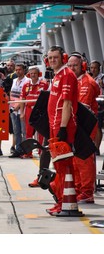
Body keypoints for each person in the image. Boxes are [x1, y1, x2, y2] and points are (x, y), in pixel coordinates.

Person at [45, 46, 78, 215]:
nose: (52, 60)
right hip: (54, 125)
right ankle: (60, 201)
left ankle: (64, 202)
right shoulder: (57, 76)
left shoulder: (67, 75)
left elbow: (67, 103)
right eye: (50, 58)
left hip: (61, 126)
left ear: (63, 58)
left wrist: (63, 128)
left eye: (55, 57)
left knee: (63, 165)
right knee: (58, 165)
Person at [68, 52, 99, 204]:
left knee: (84, 160)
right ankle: (80, 190)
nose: (72, 68)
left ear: (83, 66)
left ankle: (87, 192)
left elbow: (82, 108)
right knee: (75, 160)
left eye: (75, 65)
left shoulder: (87, 83)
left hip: (85, 127)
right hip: (75, 127)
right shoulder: (74, 80)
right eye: (70, 65)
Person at [19, 66, 49, 186]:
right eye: (31, 73)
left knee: (41, 133)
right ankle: (28, 152)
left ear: (38, 74)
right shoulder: (26, 85)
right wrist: (21, 112)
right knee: (28, 132)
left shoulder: (44, 84)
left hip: (40, 111)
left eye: (35, 73)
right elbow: (22, 99)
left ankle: (41, 151)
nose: (33, 75)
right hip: (28, 110)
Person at [0, 59, 17, 156]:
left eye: (11, 66)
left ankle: (13, 147)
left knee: (14, 128)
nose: (9, 67)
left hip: (12, 105)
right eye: (8, 65)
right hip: (0, 104)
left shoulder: (16, 78)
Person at [8, 63, 30, 158]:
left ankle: (25, 150)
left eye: (19, 69)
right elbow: (12, 93)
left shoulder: (27, 81)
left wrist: (18, 107)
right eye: (16, 70)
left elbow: (26, 96)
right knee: (16, 131)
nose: (18, 71)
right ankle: (18, 149)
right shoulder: (14, 81)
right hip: (13, 109)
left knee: (24, 131)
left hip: (22, 109)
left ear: (24, 70)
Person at [89, 60, 104, 154]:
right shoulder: (88, 77)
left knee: (98, 126)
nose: (93, 70)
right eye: (92, 68)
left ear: (99, 69)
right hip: (90, 104)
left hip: (100, 105)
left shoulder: (102, 78)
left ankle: (96, 148)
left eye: (95, 68)